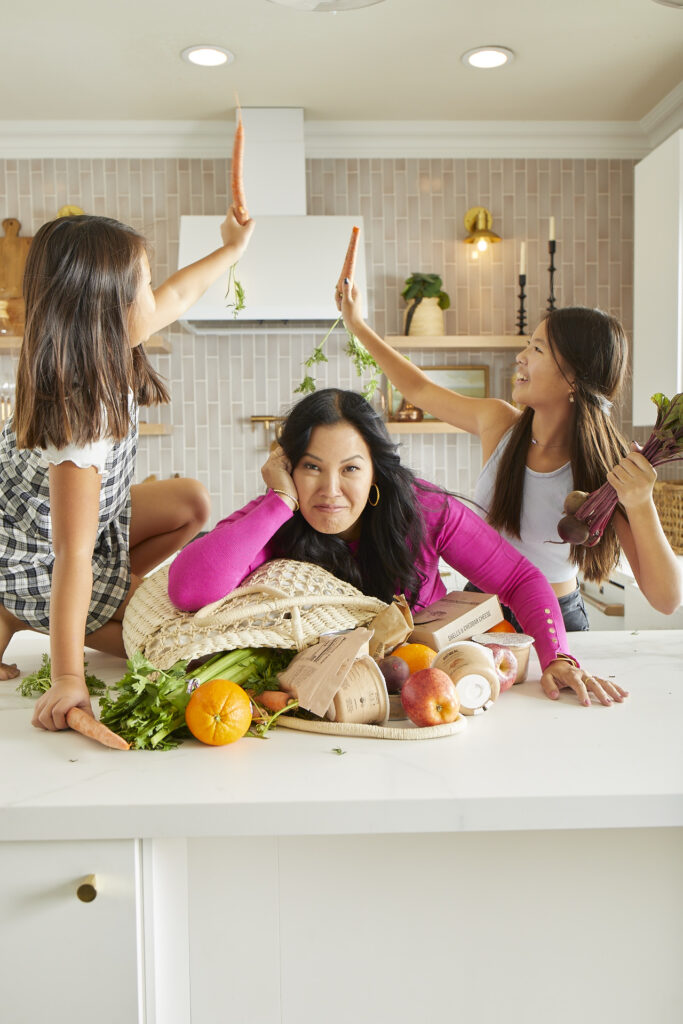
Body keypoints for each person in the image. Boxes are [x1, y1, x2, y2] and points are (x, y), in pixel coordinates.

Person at [169, 388, 627, 707]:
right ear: (287, 467)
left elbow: (519, 578)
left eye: (350, 469)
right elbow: (190, 590)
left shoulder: (425, 511)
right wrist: (279, 503)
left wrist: (558, 657)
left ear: (375, 471)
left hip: (426, 692)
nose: (330, 490)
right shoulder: (276, 515)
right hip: (318, 703)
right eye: (311, 467)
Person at [1, 208, 254, 730]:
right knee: (164, 649)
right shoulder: (81, 418)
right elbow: (70, 553)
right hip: (33, 552)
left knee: (193, 504)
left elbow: (181, 295)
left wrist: (231, 249)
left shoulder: (104, 339)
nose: (155, 294)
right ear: (107, 305)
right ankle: (24, 608)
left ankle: (105, 594)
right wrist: (68, 676)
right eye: (145, 283)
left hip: (90, 528)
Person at [336, 282, 682, 630]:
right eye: (527, 345)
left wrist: (641, 503)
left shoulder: (610, 468)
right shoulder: (498, 423)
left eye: (538, 349)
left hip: (553, 618)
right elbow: (418, 388)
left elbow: (666, 600)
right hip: (481, 612)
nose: (521, 356)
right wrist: (357, 325)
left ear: (574, 379)